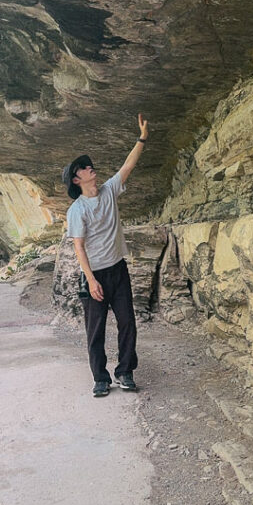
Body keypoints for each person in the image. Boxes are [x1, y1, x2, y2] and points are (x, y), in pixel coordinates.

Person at [62, 114, 149, 397]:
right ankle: (101, 378)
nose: (90, 167)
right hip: (94, 275)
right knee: (95, 330)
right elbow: (79, 247)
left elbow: (128, 165)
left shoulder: (110, 190)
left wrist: (142, 138)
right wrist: (90, 280)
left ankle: (125, 372)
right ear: (77, 179)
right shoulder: (77, 210)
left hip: (117, 269)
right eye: (84, 168)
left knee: (127, 322)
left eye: (89, 165)